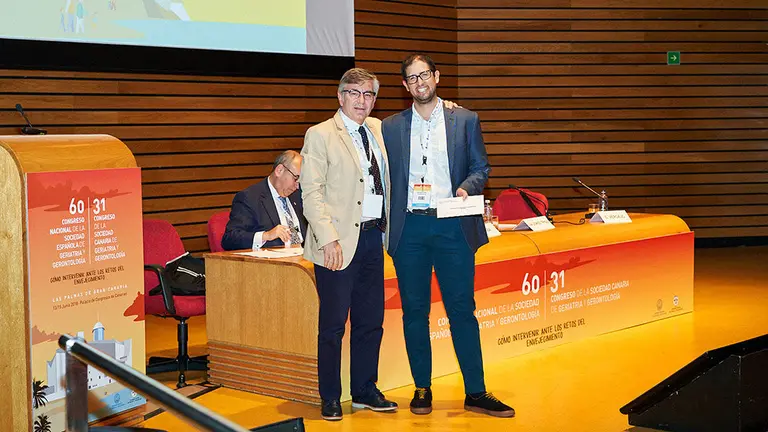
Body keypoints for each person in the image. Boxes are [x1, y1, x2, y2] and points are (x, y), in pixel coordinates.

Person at [381, 53, 516, 418]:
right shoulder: (389, 127)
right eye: (412, 78)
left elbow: (481, 167)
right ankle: (422, 388)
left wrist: (466, 188)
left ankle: (476, 391)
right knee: (414, 312)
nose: (420, 82)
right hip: (410, 228)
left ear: (437, 76)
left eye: (424, 74)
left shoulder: (465, 119)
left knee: (462, 310)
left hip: (452, 225)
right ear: (405, 85)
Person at [299, 68, 397, 421]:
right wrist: (328, 238)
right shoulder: (320, 134)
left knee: (371, 321)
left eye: (368, 94)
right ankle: (329, 396)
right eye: (354, 93)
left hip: (373, 238)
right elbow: (311, 192)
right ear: (340, 97)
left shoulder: (378, 130)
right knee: (333, 325)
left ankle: (364, 391)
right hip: (337, 243)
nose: (362, 101)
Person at [221, 150, 307, 250]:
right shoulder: (249, 198)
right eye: (296, 178)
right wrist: (266, 235)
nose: (297, 186)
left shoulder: (299, 195)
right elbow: (230, 239)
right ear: (279, 170)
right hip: (277, 258)